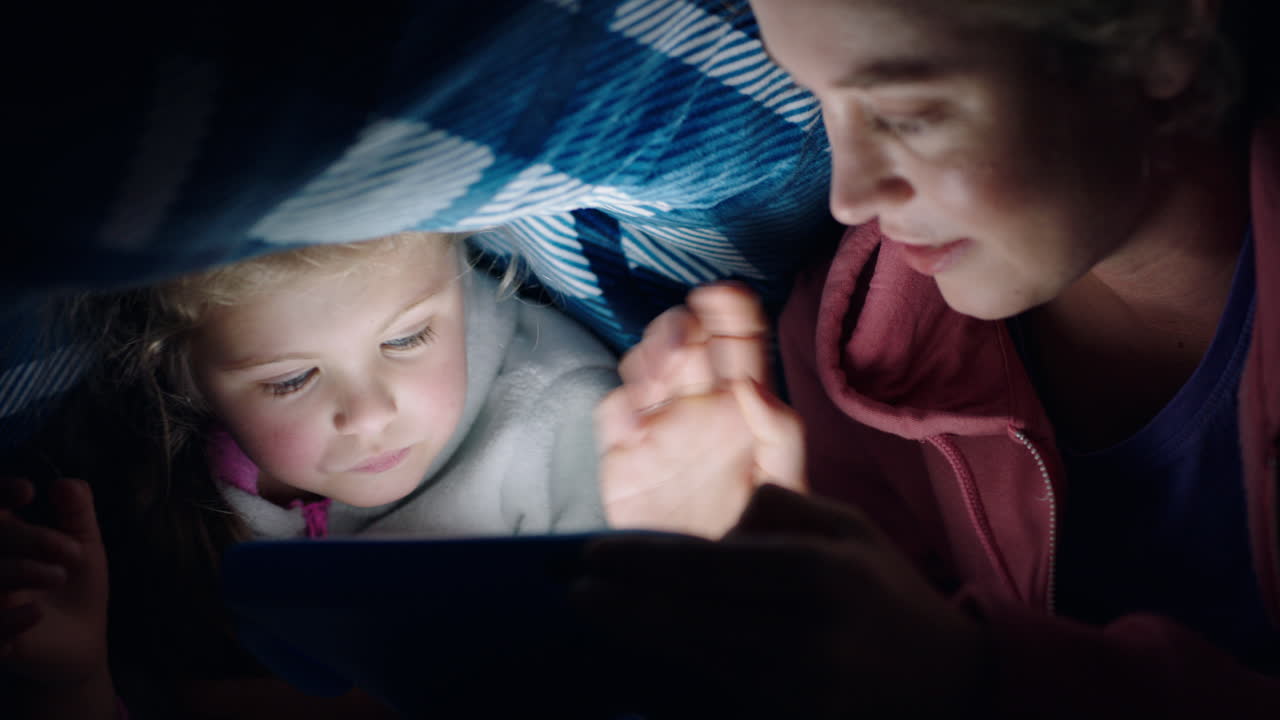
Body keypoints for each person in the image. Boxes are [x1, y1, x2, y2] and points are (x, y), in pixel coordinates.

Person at [587, 0, 1280, 716]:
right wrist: (737, 572)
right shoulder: (855, 358)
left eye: (908, 115)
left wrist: (974, 677)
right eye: (817, 97)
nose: (848, 195)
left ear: (1167, 35)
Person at [1, 231, 618, 717]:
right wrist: (73, 681)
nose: (371, 414)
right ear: (185, 378)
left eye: (408, 338)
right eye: (291, 379)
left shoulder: (567, 425)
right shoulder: (150, 491)